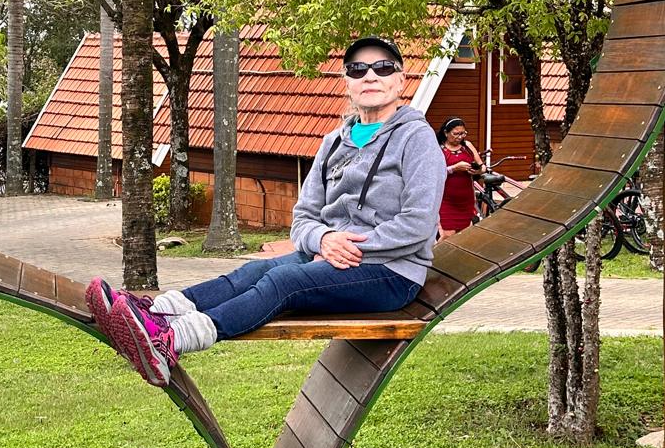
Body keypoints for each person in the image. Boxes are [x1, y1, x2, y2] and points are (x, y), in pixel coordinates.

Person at [87, 37, 446, 387]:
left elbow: (418, 223)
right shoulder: (334, 142)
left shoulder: (416, 138)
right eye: (358, 69)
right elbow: (303, 218)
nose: (370, 76)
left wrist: (347, 248)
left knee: (283, 282)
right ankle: (155, 312)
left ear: (401, 80)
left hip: (391, 272)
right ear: (347, 82)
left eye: (383, 68)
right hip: (329, 256)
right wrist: (323, 238)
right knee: (253, 271)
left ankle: (171, 340)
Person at [437, 117, 483, 237]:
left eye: (463, 133)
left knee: (464, 235)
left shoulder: (467, 146)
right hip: (445, 199)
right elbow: (433, 173)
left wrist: (477, 171)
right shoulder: (438, 149)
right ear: (446, 133)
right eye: (456, 134)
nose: (460, 137)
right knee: (447, 235)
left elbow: (482, 166)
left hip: (466, 199)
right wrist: (454, 168)